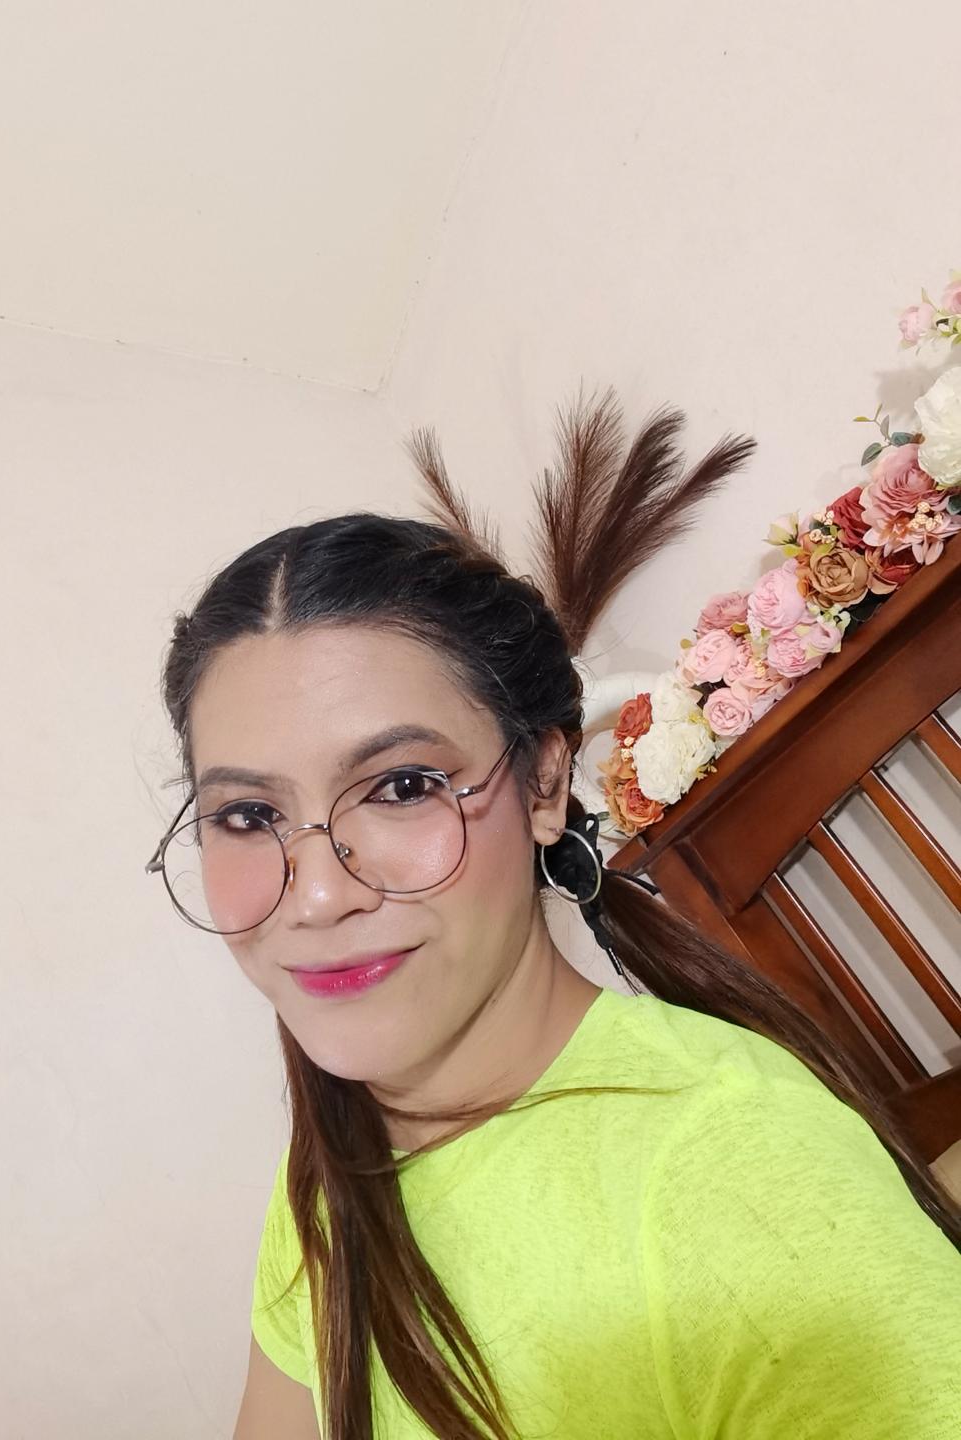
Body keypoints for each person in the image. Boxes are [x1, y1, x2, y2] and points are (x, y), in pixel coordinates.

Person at [146, 393, 961, 1440]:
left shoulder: (738, 1175)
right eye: (248, 815)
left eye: (401, 787)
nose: (314, 894)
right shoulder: (334, 1165)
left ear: (542, 783)